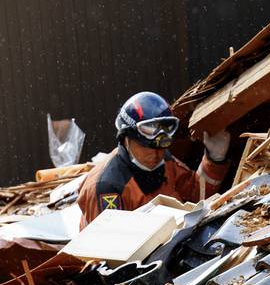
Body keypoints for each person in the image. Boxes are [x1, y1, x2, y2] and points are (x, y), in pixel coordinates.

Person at [77, 91, 230, 228]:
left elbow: (197, 195)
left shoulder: (166, 161)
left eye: (161, 148)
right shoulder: (106, 186)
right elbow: (104, 249)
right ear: (126, 139)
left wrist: (214, 159)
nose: (156, 156)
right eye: (146, 147)